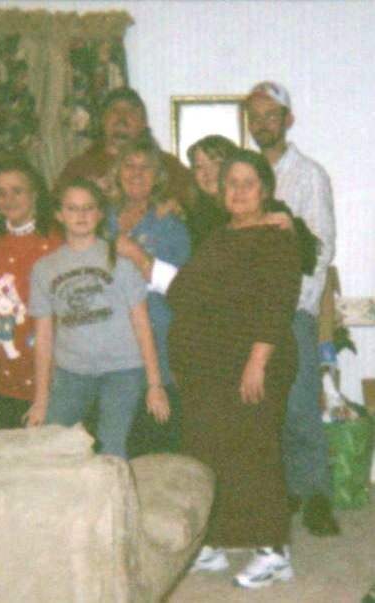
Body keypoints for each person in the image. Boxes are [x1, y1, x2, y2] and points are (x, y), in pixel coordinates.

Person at [168, 150, 302, 589]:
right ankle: (217, 540)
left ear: (266, 190)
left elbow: (277, 302)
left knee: (254, 451)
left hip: (256, 360)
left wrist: (257, 362)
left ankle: (273, 551)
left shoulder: (277, 237)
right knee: (211, 449)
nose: (239, 191)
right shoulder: (219, 236)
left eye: (248, 182)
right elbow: (183, 291)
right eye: (231, 183)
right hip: (213, 364)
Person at [246, 81, 339, 536]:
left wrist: (294, 304)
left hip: (292, 310)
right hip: (249, 313)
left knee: (300, 404)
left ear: (288, 120)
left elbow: (321, 248)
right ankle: (286, 489)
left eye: (271, 115)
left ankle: (317, 495)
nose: (263, 124)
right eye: (255, 116)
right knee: (266, 408)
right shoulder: (243, 175)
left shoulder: (309, 176)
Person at [26, 178, 169, 458]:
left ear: (100, 213)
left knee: (111, 447)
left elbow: (142, 323)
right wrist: (41, 400)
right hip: (72, 372)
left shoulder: (120, 259)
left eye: (89, 208)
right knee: (49, 444)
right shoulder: (44, 268)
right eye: (72, 208)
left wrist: (155, 385)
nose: (81, 215)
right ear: (59, 214)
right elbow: (43, 337)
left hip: (122, 370)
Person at [106, 139, 190, 456]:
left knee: (155, 449)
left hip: (158, 346)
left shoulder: (170, 222)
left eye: (146, 167)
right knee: (113, 446)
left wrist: (136, 254)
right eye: (129, 165)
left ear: (158, 177)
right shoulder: (98, 218)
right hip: (108, 350)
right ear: (116, 172)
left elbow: (184, 290)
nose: (136, 173)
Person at [0, 157, 62, 430]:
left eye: (17, 191)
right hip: (1, 375)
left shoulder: (56, 242)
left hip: (46, 379)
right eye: (1, 193)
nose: (9, 199)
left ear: (35, 194)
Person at [186, 134, 318, 273]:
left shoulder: (269, 210)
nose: (207, 172)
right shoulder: (196, 217)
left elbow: (307, 262)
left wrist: (292, 233)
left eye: (216, 163)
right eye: (199, 167)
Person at [55, 87, 192, 206]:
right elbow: (54, 213)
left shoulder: (169, 166)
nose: (121, 118)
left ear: (143, 123)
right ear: (102, 121)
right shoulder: (79, 168)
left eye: (131, 111)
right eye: (114, 110)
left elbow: (194, 205)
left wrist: (176, 206)